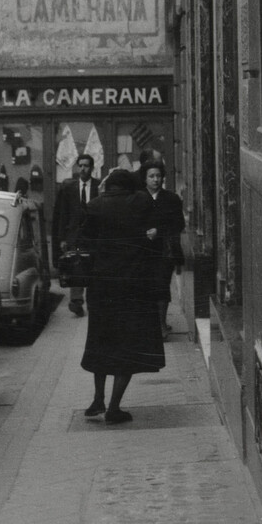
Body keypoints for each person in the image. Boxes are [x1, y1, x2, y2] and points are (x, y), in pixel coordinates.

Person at [77, 167, 164, 423]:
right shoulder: (140, 201)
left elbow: (83, 239)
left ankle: (98, 399)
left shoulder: (95, 205)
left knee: (101, 342)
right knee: (128, 345)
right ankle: (114, 408)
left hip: (101, 287)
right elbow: (155, 231)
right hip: (133, 286)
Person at [141, 159, 186, 337]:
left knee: (162, 286)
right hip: (143, 251)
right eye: (151, 176)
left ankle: (161, 325)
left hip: (164, 251)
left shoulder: (171, 199)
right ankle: (148, 325)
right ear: (145, 179)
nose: (155, 180)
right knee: (146, 287)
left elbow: (179, 224)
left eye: (158, 176)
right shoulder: (138, 198)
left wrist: (158, 231)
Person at [52, 152, 97, 317]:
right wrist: (63, 238)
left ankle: (93, 300)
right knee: (75, 265)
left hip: (92, 235)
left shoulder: (98, 187)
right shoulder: (69, 188)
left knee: (92, 266)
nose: (83, 168)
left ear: (92, 168)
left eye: (86, 165)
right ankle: (76, 302)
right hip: (74, 235)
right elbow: (63, 214)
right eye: (81, 165)